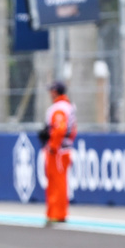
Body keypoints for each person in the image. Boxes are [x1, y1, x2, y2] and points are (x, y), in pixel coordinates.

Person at [42, 80, 76, 225]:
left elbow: (60, 129)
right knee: (57, 182)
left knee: (57, 183)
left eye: (51, 90)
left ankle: (57, 214)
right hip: (63, 149)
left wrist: (53, 145)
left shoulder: (59, 108)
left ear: (55, 91)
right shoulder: (68, 106)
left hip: (58, 151)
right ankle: (56, 213)